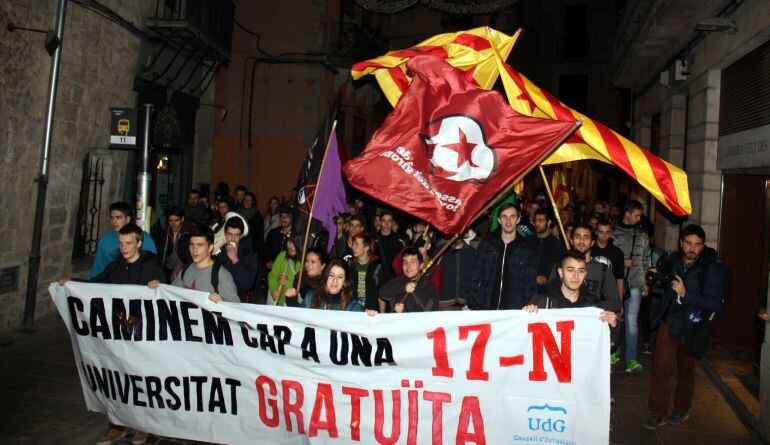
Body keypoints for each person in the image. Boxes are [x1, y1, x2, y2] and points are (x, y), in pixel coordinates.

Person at [60, 223, 165, 445]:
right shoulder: (116, 265)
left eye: (128, 243)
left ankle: (143, 427)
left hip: (142, 336)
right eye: (121, 243)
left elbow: (164, 299)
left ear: (138, 243)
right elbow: (96, 285)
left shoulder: (152, 267)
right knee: (117, 379)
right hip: (118, 335)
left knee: (140, 380)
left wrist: (158, 287)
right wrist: (73, 284)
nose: (124, 248)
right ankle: (116, 424)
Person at [644, 225, 731, 430]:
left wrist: (686, 294)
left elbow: (714, 303)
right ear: (681, 243)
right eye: (689, 244)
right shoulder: (673, 260)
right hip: (670, 321)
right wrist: (656, 278)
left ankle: (682, 409)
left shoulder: (712, 268)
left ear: (703, 246)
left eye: (697, 245)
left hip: (694, 325)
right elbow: (664, 286)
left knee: (686, 369)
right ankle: (658, 412)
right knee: (661, 367)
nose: (692, 249)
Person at [465, 203, 537, 310]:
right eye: (504, 217)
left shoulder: (525, 250)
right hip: (485, 309)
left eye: (512, 217)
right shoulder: (487, 244)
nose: (508, 221)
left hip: (513, 313)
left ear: (518, 220)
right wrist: (473, 304)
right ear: (499, 220)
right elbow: (474, 275)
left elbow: (530, 285)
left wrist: (525, 308)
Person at [523, 250, 618, 329]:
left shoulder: (593, 306)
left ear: (585, 274)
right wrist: (524, 317)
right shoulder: (543, 303)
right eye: (570, 270)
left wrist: (613, 326)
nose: (575, 276)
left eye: (580, 271)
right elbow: (523, 337)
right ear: (560, 272)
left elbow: (607, 344)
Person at [613, 200, 651, 373]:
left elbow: (645, 259)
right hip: (616, 282)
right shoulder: (613, 233)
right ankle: (615, 351)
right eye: (636, 215)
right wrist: (622, 262)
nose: (638, 219)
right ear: (627, 213)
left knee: (632, 322)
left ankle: (631, 359)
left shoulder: (642, 235)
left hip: (635, 282)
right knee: (616, 318)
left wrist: (646, 282)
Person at [171, 226, 238, 303]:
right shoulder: (186, 269)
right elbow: (171, 292)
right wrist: (157, 288)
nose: (194, 249)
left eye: (200, 245)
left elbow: (235, 306)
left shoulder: (222, 275)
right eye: (192, 244)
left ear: (210, 248)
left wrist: (222, 302)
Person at [592, 218, 627, 362]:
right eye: (600, 232)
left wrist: (620, 301)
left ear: (611, 233)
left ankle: (611, 355)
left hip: (609, 297)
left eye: (607, 233)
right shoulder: (591, 249)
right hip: (593, 296)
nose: (604, 236)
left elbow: (620, 278)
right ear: (596, 232)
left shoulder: (617, 253)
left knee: (611, 326)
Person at [91, 202, 157, 278]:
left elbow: (153, 266)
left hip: (139, 282)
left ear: (127, 219)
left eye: (118, 217)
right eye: (112, 218)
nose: (114, 222)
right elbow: (99, 270)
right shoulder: (105, 241)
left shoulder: (144, 238)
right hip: (114, 284)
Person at [379, 247, 438, 313]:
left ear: (421, 266)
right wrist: (404, 288)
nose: (408, 266)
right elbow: (382, 293)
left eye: (412, 262)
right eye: (405, 262)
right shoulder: (398, 282)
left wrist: (404, 312)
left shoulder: (430, 290)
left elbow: (428, 318)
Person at [214, 217, 259, 302]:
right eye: (229, 234)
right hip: (216, 299)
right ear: (225, 233)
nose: (233, 239)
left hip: (237, 302)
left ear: (241, 236)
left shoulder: (250, 256)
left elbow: (247, 284)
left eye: (237, 235)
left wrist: (235, 260)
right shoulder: (216, 252)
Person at [285, 258, 358, 310]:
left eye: (340, 277)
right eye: (331, 275)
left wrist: (368, 317)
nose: (334, 280)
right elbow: (299, 319)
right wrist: (291, 300)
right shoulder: (311, 297)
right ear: (326, 277)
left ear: (345, 282)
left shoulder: (352, 307)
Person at [349, 232, 386, 312]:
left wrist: (381, 317)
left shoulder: (377, 267)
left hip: (371, 313)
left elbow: (381, 294)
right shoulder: (351, 266)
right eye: (353, 244)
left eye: (357, 245)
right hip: (353, 311)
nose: (353, 247)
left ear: (366, 248)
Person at [533, 207, 566, 293]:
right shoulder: (528, 241)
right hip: (528, 289)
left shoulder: (557, 245)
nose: (536, 223)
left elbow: (561, 269)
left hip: (547, 292)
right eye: (535, 220)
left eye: (540, 220)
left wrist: (547, 279)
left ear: (549, 222)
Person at [438, 233, 475, 310]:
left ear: (465, 234)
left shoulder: (472, 252)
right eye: (453, 231)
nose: (455, 235)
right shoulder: (440, 251)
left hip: (466, 305)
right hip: (444, 303)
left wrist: (470, 300)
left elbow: (476, 278)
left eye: (458, 231)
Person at [158, 206, 193, 282]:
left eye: (176, 220)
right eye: (170, 221)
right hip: (167, 269)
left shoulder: (188, 234)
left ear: (182, 219)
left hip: (184, 269)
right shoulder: (166, 233)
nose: (173, 224)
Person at [373, 209, 408, 277]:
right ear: (380, 222)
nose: (386, 224)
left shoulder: (399, 241)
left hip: (394, 278)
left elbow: (404, 260)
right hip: (377, 277)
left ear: (392, 223)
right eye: (384, 221)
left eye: (389, 221)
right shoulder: (373, 239)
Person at [268, 236, 299, 306]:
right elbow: (273, 276)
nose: (291, 246)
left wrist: (287, 283)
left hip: (295, 306)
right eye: (290, 242)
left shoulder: (305, 261)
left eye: (296, 243)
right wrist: (274, 291)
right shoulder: (282, 256)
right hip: (280, 304)